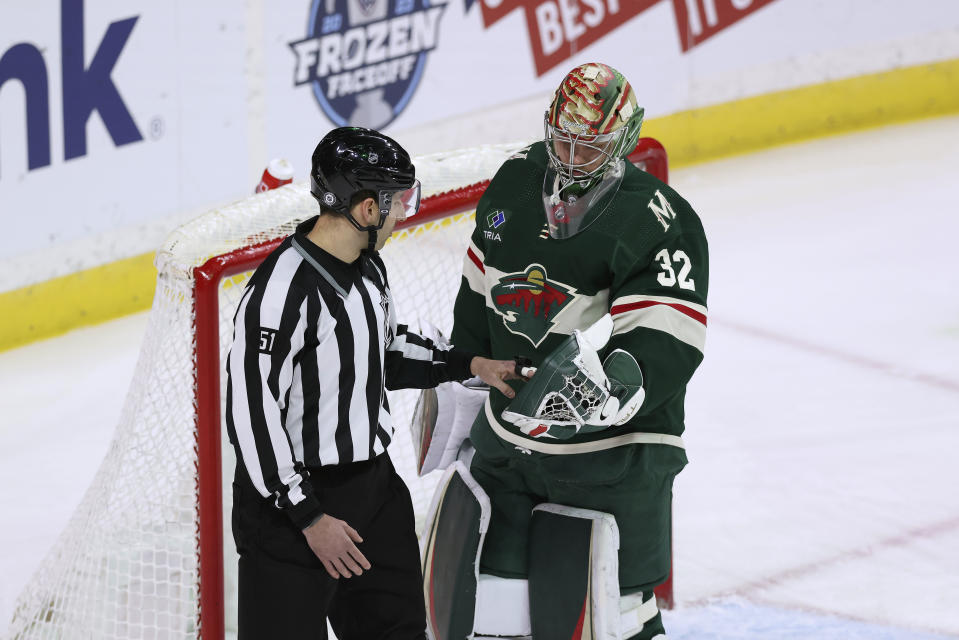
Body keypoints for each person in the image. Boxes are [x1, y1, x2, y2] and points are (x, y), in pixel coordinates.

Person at [225, 126, 522, 640]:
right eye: (398, 201)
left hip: (373, 493)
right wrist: (310, 518)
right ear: (366, 208)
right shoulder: (278, 292)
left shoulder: (368, 267)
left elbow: (382, 354)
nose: (405, 212)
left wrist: (472, 364)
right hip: (289, 515)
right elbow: (252, 413)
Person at [448, 62, 709, 639]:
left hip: (613, 456)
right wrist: (461, 370)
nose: (569, 157)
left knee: (608, 618)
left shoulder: (660, 220)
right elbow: (478, 286)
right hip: (512, 442)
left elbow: (668, 328)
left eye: (587, 147)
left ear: (623, 140)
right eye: (560, 140)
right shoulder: (515, 181)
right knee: (493, 612)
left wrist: (619, 384)